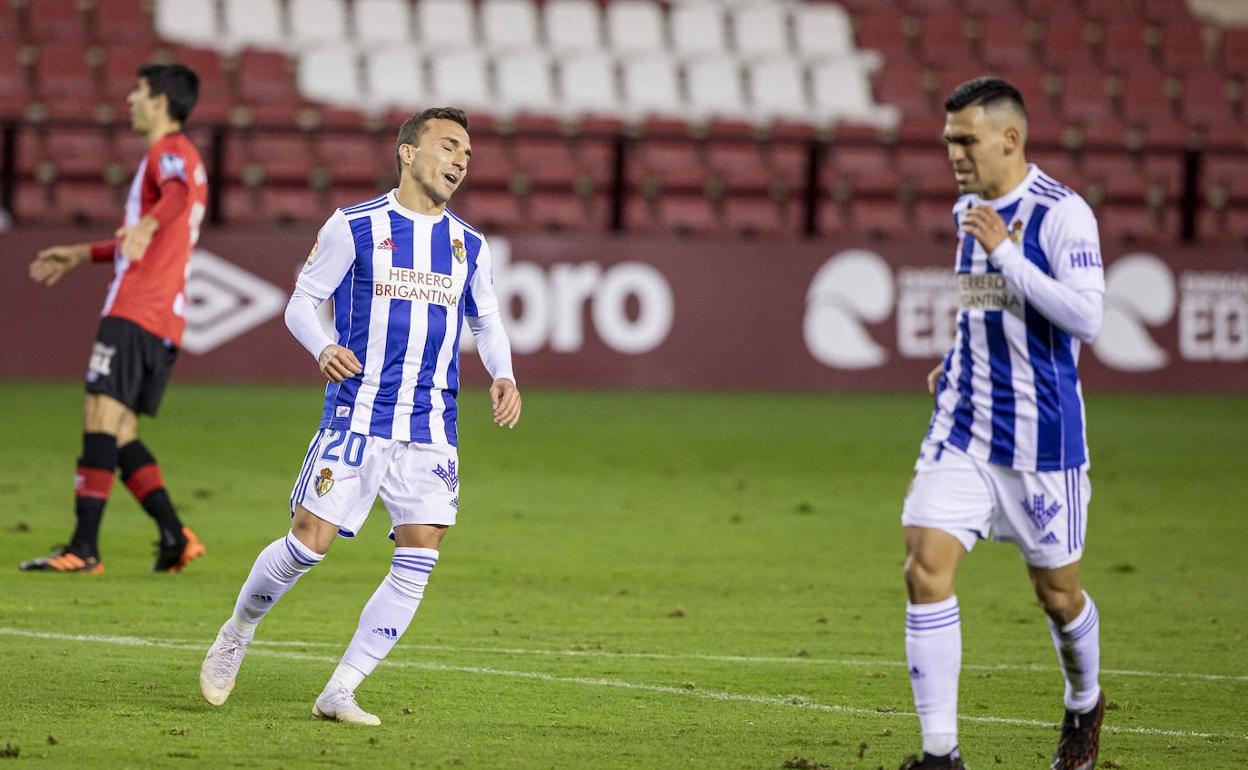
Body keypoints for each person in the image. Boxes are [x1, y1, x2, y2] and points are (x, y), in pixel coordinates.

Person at [198, 107, 522, 725]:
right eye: (449, 146)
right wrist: (322, 347)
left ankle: (340, 689)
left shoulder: (468, 245)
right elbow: (302, 301)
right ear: (407, 152)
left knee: (421, 549)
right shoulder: (355, 226)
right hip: (358, 416)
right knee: (308, 542)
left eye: (468, 154)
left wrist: (503, 373)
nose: (461, 160)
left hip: (431, 425)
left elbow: (487, 319)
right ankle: (238, 630)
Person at [897, 77, 1106, 770]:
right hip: (965, 425)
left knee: (1058, 595)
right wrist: (955, 355)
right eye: (948, 140)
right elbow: (982, 302)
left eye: (965, 140)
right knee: (925, 566)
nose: (953, 153)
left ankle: (1085, 701)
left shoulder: (1062, 215)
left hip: (1043, 441)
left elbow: (1087, 317)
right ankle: (940, 754)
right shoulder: (970, 210)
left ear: (1009, 139)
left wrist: (1007, 254)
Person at [21, 64, 208, 575]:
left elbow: (173, 198)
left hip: (136, 308)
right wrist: (82, 253)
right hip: (165, 317)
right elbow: (155, 229)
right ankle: (174, 533)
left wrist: (147, 221)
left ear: (161, 101)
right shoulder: (190, 160)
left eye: (139, 91)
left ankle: (84, 548)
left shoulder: (168, 152)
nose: (129, 99)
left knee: (99, 420)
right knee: (118, 431)